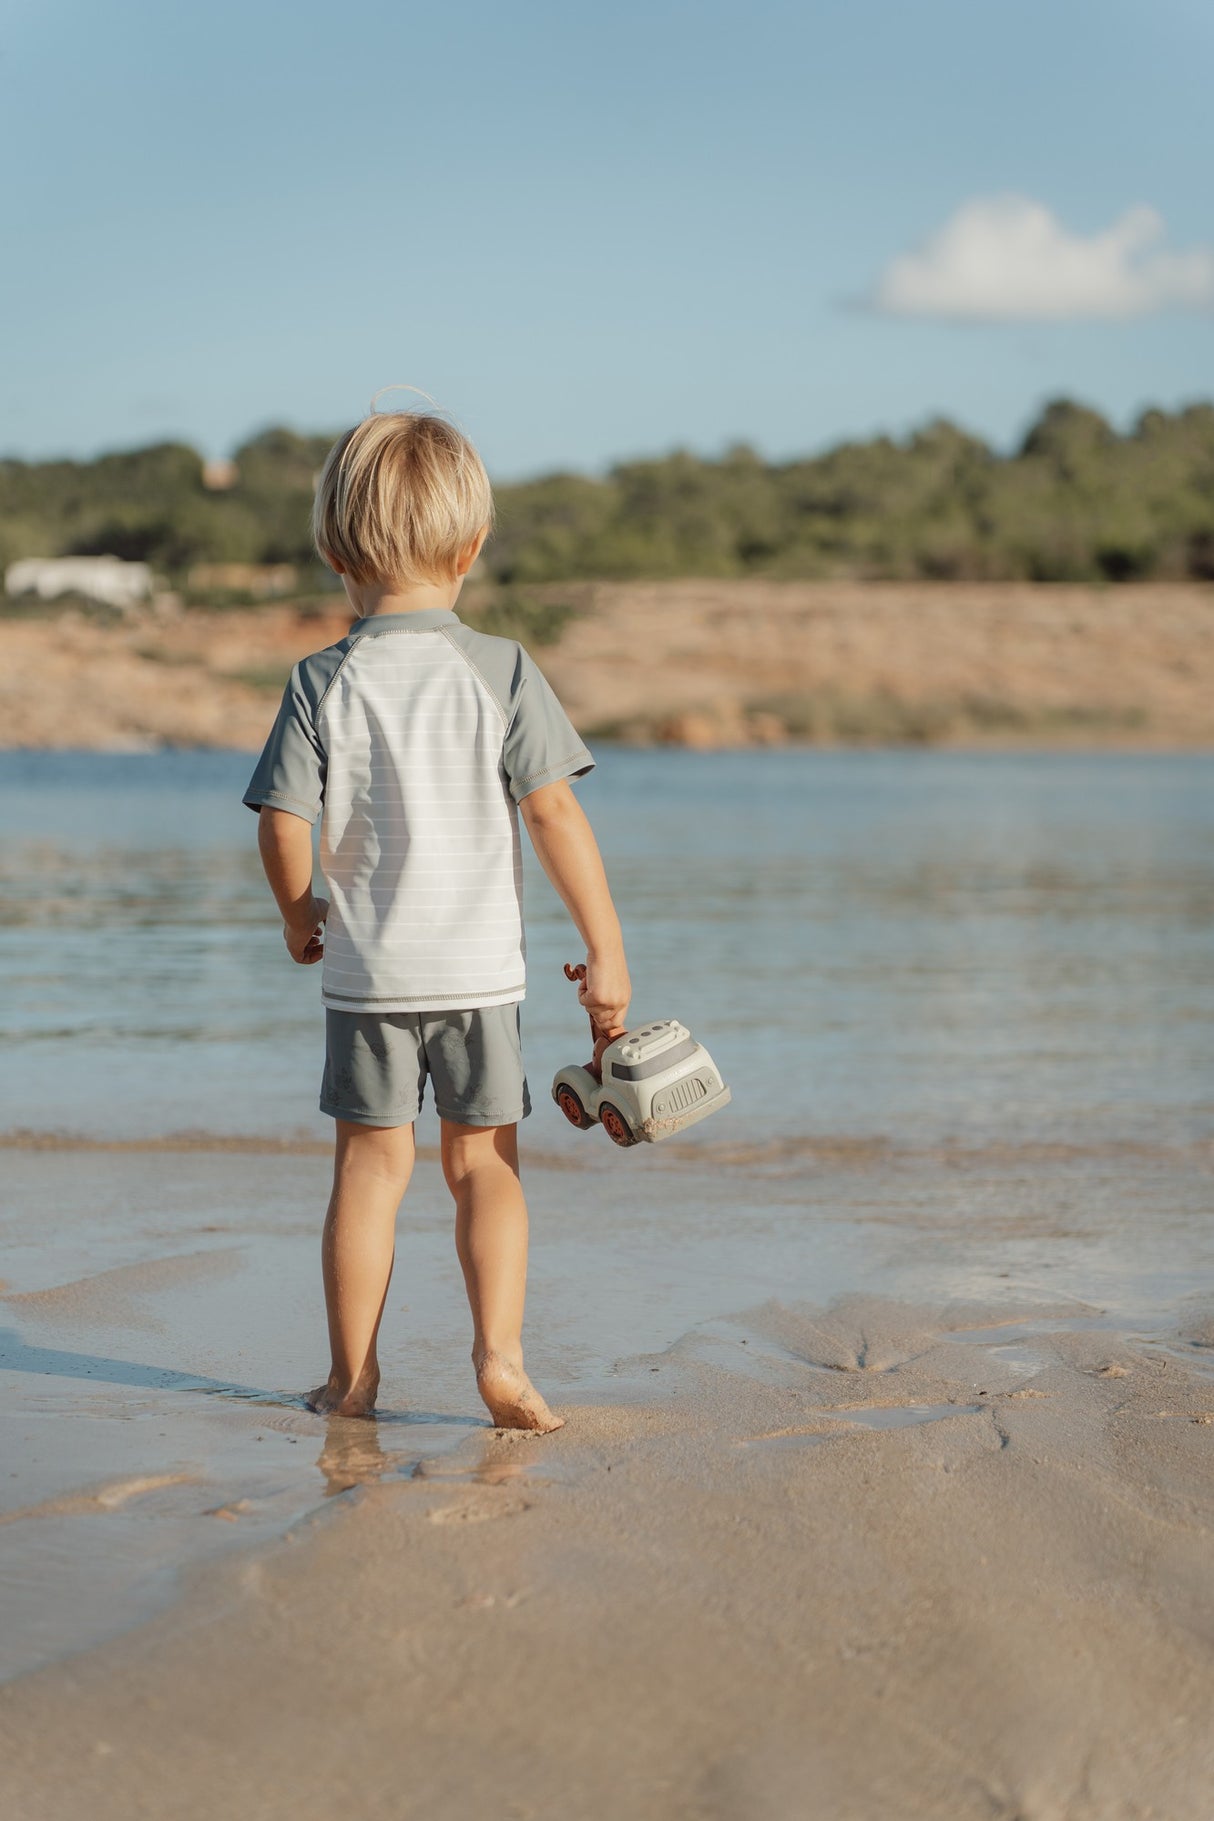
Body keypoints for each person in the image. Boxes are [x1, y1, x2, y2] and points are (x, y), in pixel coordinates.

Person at [243, 407, 630, 1431]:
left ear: (332, 549)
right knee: (482, 1167)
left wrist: (297, 915)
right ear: (470, 549)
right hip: (478, 981)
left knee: (370, 1173)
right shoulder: (499, 668)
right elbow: (552, 811)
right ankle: (500, 1363)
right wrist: (605, 949)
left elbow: (283, 823)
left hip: (368, 977)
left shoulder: (319, 680)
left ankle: (351, 1380)